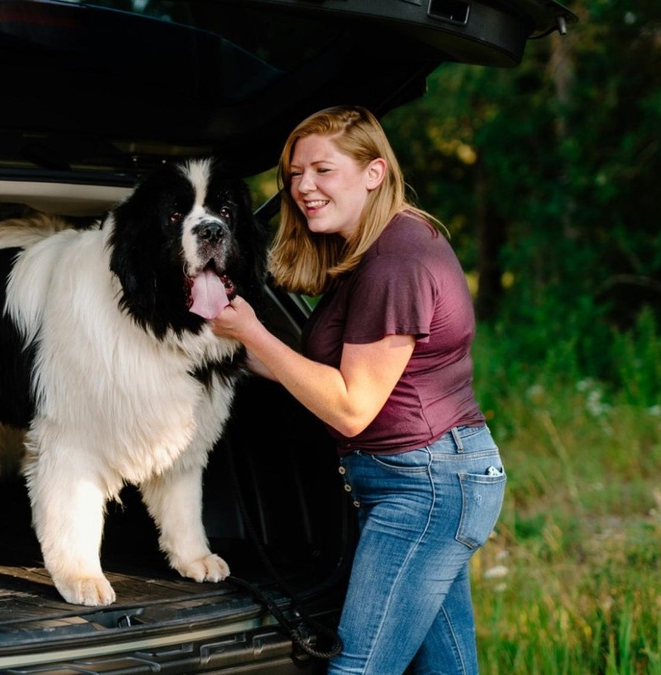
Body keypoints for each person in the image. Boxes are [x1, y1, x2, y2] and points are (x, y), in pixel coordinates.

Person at [210, 105, 506, 674]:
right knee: (444, 669)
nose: (304, 188)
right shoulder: (379, 250)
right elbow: (321, 377)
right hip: (430, 479)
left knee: (358, 668)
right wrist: (221, 348)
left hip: (426, 492)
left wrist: (253, 332)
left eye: (323, 170)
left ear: (374, 172)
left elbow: (351, 409)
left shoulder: (397, 261)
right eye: (295, 174)